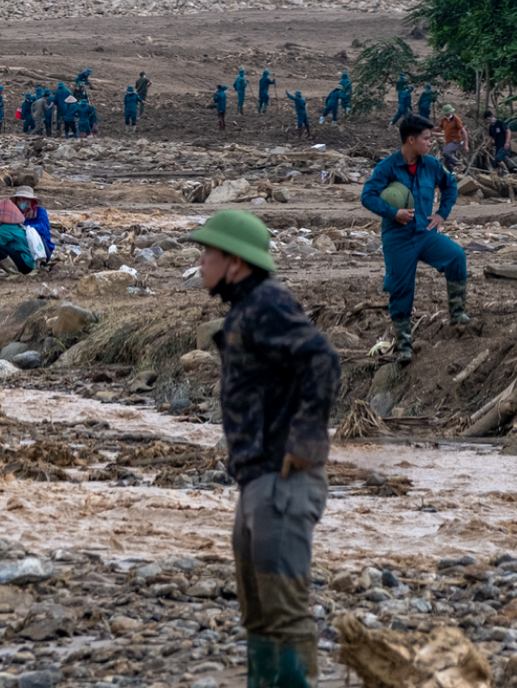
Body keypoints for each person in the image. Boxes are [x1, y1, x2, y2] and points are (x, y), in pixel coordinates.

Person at [184, 209, 338, 688]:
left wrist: (307, 441)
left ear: (235, 261)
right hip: (256, 479)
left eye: (208, 251)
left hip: (283, 479)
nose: (201, 260)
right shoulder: (244, 308)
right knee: (258, 615)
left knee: (285, 613)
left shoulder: (268, 302)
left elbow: (323, 359)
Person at [361, 115, 471, 362]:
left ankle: (458, 315)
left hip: (424, 233)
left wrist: (442, 214)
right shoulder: (387, 168)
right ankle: (404, 345)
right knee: (401, 289)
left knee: (456, 257)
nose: (431, 143)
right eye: (426, 138)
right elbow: (367, 196)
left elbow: (450, 186)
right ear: (411, 140)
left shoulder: (431, 165)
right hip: (397, 237)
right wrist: (393, 213)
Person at [0, 199, 37, 274]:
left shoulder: (6, 228)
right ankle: (11, 271)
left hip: (25, 262)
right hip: (28, 262)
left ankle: (14, 272)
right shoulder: (15, 226)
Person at [12, 186, 54, 265]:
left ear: (30, 200)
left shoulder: (40, 212)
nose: (21, 202)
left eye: (24, 199)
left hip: (42, 250)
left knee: (32, 233)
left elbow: (43, 227)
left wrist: (27, 228)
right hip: (23, 248)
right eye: (19, 200)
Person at [437, 105, 466, 171]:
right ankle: (453, 174)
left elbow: (463, 131)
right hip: (447, 141)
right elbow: (438, 129)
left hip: (455, 141)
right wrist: (430, 127)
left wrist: (465, 144)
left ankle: (459, 163)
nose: (446, 114)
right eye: (445, 113)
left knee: (445, 153)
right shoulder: (443, 120)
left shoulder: (456, 119)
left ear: (450, 112)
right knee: (446, 162)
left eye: (447, 113)